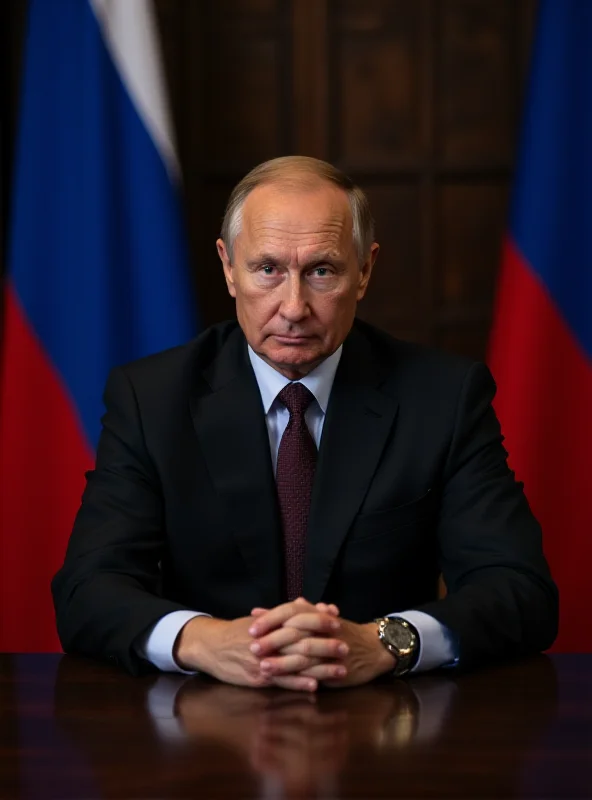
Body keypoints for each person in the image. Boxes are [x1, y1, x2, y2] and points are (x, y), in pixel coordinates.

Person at [52, 156, 558, 691]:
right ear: (228, 267)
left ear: (364, 270)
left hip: (386, 718)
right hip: (204, 717)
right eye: (268, 269)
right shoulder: (151, 398)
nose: (294, 307)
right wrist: (206, 641)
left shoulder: (443, 398)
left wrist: (384, 642)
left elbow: (520, 589)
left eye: (322, 271)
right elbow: (88, 589)